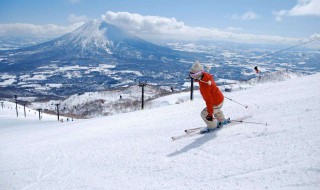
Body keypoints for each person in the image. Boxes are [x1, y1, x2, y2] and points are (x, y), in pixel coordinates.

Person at [189, 61, 228, 133]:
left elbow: (209, 101)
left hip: (215, 102)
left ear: (198, 74)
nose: (191, 77)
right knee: (216, 109)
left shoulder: (205, 85)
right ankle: (222, 121)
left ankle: (213, 127)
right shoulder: (205, 76)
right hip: (219, 99)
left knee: (204, 113)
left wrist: (210, 114)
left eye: (192, 75)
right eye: (190, 74)